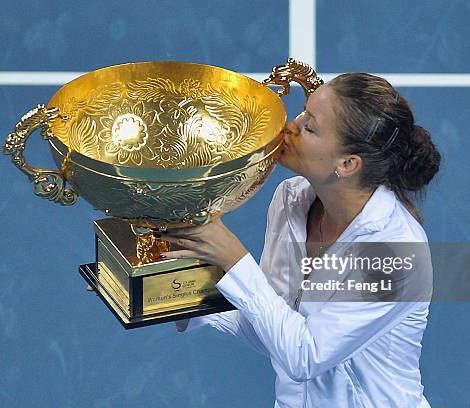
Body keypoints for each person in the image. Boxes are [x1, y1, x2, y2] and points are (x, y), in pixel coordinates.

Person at [157, 73, 441, 407]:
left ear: (348, 164)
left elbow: (305, 356)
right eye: (304, 112)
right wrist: (180, 291)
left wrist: (234, 261)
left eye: (310, 127)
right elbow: (273, 328)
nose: (291, 125)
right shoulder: (291, 200)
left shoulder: (395, 253)